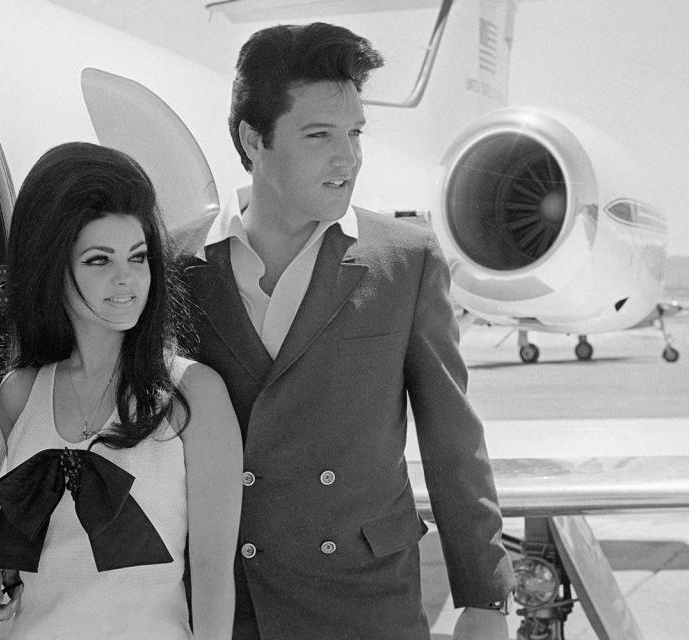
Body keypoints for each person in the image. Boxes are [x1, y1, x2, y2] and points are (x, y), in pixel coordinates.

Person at [172, 22, 515, 640]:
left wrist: (485, 600)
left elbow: (452, 441)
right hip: (225, 608)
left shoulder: (405, 261)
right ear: (254, 140)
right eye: (319, 135)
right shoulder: (176, 266)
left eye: (355, 132)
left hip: (365, 602)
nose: (349, 157)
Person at [0, 142, 243, 639]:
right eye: (99, 260)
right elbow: (29, 506)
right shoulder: (20, 393)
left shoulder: (192, 394)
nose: (127, 280)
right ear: (53, 267)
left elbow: (212, 575)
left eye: (138, 258)